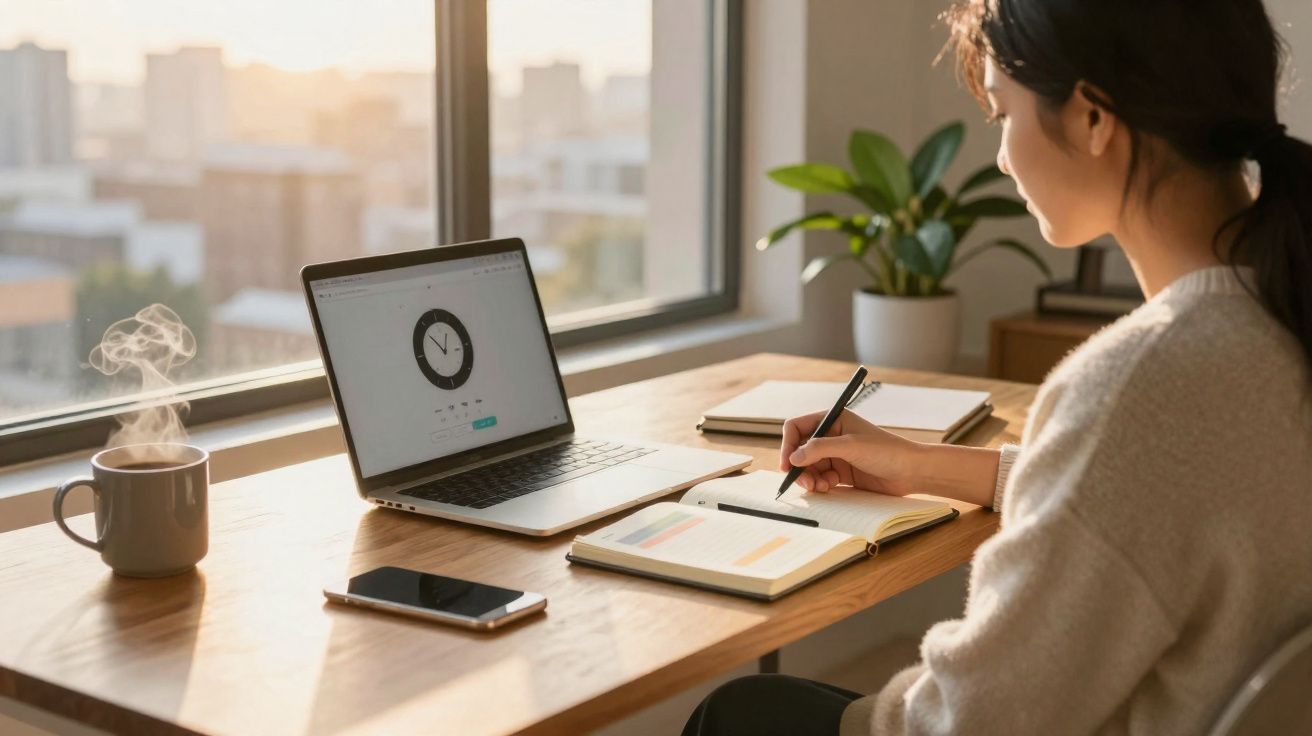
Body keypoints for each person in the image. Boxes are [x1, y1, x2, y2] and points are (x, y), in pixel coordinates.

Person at [682, 0, 1312, 734]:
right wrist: (918, 465)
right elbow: (1169, 496)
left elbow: (971, 720)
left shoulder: (1144, 383)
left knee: (739, 712)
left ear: (1093, 119)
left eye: (1003, 113)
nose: (1004, 155)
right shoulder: (1277, 313)